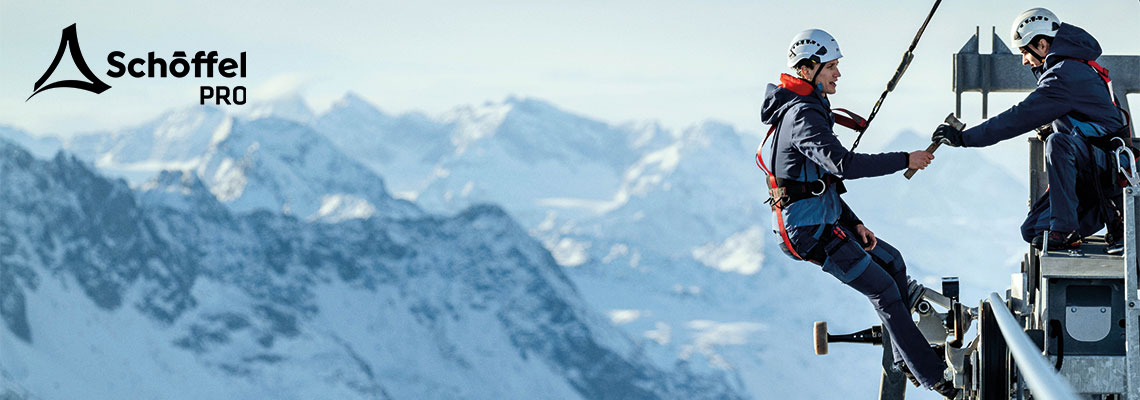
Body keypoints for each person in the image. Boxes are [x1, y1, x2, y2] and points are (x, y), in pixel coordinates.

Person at [758, 29, 957, 397]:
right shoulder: (803, 115)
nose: (838, 74)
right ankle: (937, 378)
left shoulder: (803, 109)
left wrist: (853, 223)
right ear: (808, 69)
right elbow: (842, 165)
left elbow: (817, 182)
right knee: (882, 289)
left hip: (822, 220)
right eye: (831, 67)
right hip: (808, 230)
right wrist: (905, 159)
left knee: (892, 263)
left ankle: (905, 359)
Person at [931, 8, 1127, 252]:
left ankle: (1069, 230)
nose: (1024, 60)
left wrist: (964, 138)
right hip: (1094, 171)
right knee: (1033, 231)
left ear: (1042, 44)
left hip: (1105, 171)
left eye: (1024, 51)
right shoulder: (1075, 67)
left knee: (1058, 142)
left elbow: (1017, 118)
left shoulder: (1064, 75)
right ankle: (1103, 216)